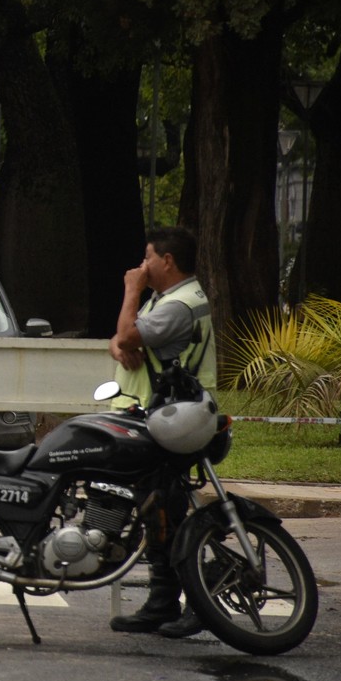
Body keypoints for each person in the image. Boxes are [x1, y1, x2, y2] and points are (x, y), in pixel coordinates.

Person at [107, 224, 216, 640]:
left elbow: (128, 333)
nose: (142, 265)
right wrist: (119, 347)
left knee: (166, 513)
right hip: (155, 417)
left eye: (148, 257)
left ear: (167, 261)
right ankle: (162, 602)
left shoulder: (179, 305)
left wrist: (130, 291)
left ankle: (198, 602)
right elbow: (122, 338)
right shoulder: (168, 298)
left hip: (171, 420)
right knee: (156, 512)